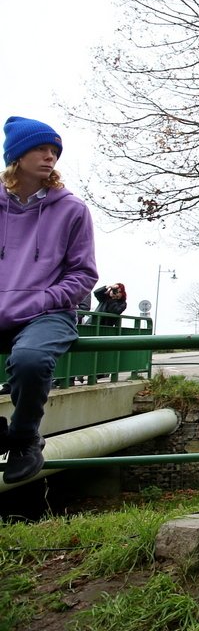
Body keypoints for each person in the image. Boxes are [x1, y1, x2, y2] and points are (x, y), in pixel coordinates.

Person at [0, 116, 97, 484]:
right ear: (17, 155)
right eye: (41, 148)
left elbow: (84, 274)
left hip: (47, 311)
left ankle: (24, 439)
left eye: (54, 150)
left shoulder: (72, 209)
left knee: (31, 360)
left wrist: (40, 300)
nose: (49, 156)